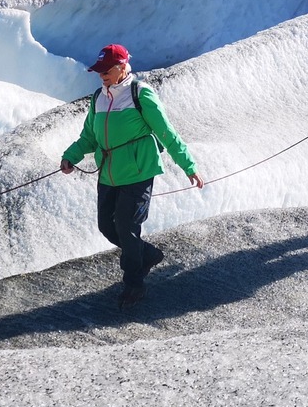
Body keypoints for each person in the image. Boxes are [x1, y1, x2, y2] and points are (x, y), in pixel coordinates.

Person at [61, 45, 203, 308]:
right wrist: (71, 156)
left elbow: (166, 133)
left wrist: (189, 166)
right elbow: (89, 137)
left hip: (138, 172)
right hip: (108, 173)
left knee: (127, 227)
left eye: (106, 70)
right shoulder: (98, 98)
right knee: (107, 225)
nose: (101, 75)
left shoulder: (140, 94)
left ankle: (133, 285)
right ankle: (146, 254)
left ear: (123, 67)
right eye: (99, 71)